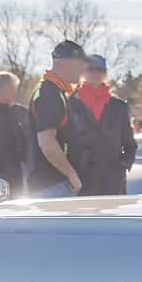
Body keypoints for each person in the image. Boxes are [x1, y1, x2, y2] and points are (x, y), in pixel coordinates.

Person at [63, 53, 136, 196]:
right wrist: (68, 173)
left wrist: (123, 165)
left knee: (112, 217)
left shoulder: (119, 106)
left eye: (100, 70)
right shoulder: (70, 103)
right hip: (80, 178)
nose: (95, 74)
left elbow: (129, 143)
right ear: (83, 72)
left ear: (105, 73)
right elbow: (62, 140)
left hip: (112, 180)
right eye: (91, 69)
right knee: (83, 217)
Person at [28, 40, 87, 196]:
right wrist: (71, 174)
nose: (83, 70)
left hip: (52, 184)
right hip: (51, 186)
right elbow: (47, 142)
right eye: (81, 64)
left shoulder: (56, 91)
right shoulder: (50, 92)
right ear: (68, 63)